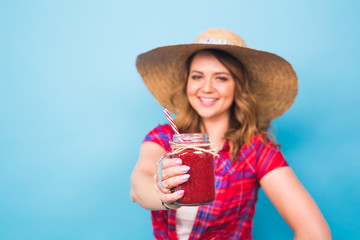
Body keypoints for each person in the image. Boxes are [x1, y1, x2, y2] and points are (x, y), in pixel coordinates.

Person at [130, 29, 331, 240]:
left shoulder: (256, 151)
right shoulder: (165, 137)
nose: (206, 88)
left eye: (221, 78)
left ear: (238, 86)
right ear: (187, 82)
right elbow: (138, 186)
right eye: (197, 76)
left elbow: (315, 232)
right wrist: (163, 194)